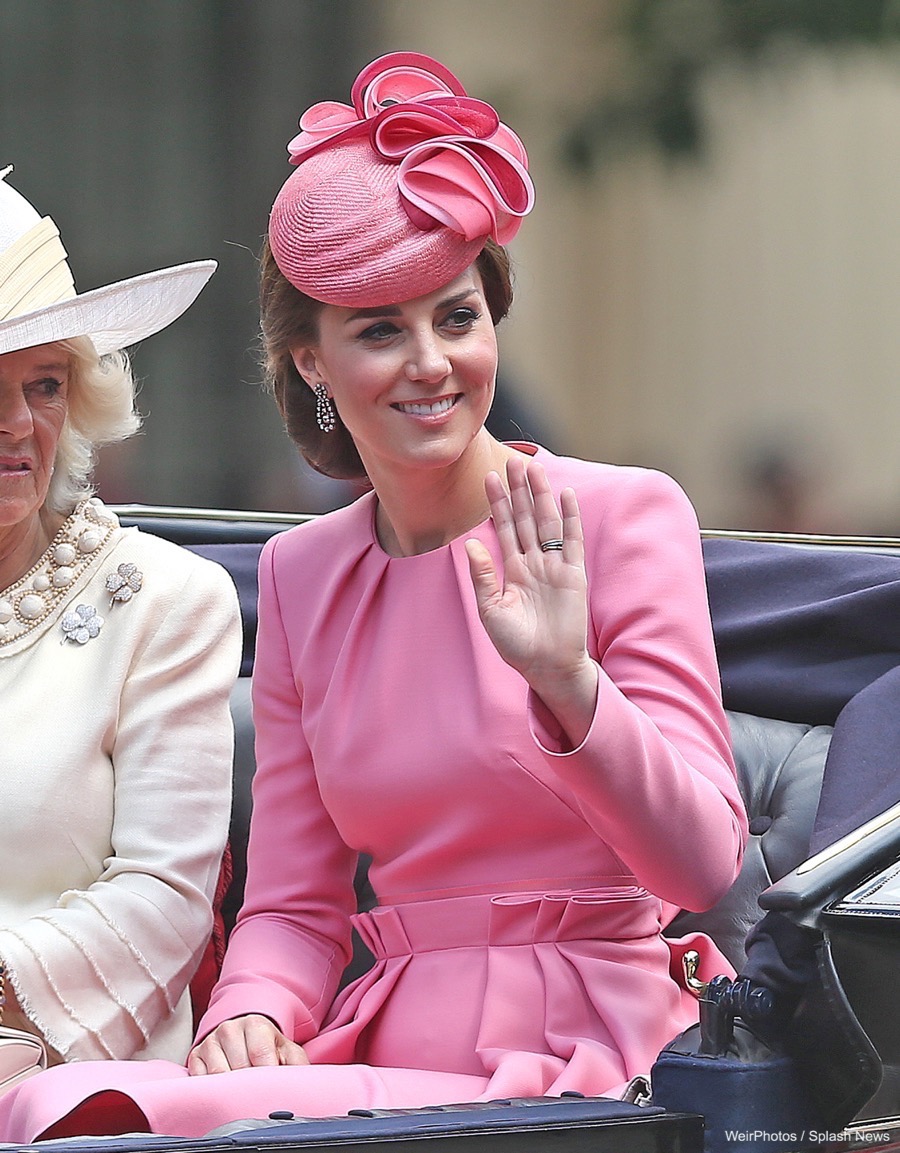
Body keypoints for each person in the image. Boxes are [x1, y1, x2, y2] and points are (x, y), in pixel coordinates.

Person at [0, 52, 746, 1140]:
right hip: (383, 1048)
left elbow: (702, 865)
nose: (432, 362)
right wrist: (250, 1009)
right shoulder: (304, 576)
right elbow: (296, 906)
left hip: (601, 1043)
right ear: (310, 361)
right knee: (53, 1104)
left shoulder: (625, 516)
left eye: (457, 316)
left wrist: (566, 681)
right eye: (381, 329)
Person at [0, 167, 242, 1071]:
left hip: (70, 1074)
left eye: (45, 384)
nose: (17, 421)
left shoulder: (166, 602)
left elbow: (161, 900)